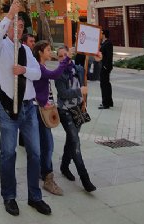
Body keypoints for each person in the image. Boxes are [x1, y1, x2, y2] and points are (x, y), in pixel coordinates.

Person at [0, 1, 51, 217]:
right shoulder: (0, 47)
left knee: (35, 153)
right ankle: (9, 196)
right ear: (7, 27)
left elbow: (38, 73)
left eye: (19, 25)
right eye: (13, 25)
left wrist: (23, 69)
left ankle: (35, 197)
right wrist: (9, 14)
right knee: (8, 153)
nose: (16, 28)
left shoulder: (27, 49)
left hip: (28, 109)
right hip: (8, 108)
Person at [55, 46, 96, 192]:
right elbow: (63, 93)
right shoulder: (58, 74)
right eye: (60, 56)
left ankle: (64, 166)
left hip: (78, 110)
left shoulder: (78, 69)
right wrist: (79, 90)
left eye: (66, 54)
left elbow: (92, 74)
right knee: (75, 143)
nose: (63, 58)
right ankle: (85, 179)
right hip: (65, 111)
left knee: (71, 140)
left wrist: (96, 60)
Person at [33, 40, 70, 196]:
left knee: (45, 144)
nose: (51, 52)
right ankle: (48, 177)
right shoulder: (39, 68)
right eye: (48, 50)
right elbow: (54, 75)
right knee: (48, 144)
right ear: (41, 52)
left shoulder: (41, 67)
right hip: (40, 111)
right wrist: (66, 60)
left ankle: (44, 172)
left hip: (44, 109)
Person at [99, 29, 113, 109]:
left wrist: (105, 66)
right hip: (104, 66)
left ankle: (106, 103)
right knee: (106, 84)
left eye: (101, 33)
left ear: (104, 34)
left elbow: (109, 56)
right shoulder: (103, 43)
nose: (100, 35)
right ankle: (109, 102)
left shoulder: (108, 43)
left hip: (105, 67)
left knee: (104, 85)